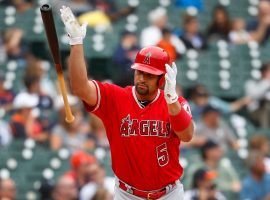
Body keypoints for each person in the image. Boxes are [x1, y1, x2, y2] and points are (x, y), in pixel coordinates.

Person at [60, 5, 194, 200]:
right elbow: (80, 88)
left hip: (169, 194)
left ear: (162, 79)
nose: (141, 78)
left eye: (149, 75)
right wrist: (76, 42)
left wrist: (172, 100)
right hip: (127, 194)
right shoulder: (116, 97)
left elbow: (187, 135)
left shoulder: (175, 103)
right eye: (139, 72)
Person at [245, 63, 270, 128]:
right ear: (264, 72)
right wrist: (266, 82)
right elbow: (253, 96)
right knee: (267, 105)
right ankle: (265, 132)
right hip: (255, 111)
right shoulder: (251, 83)